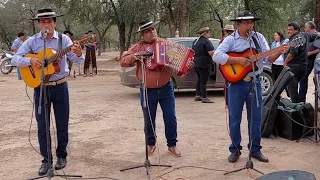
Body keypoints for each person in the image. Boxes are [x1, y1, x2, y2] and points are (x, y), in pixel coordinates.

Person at [11, 8, 84, 175]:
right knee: (42, 126)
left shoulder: (64, 40)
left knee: (62, 123)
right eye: (42, 21)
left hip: (60, 86)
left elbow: (76, 60)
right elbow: (15, 58)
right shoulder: (32, 41)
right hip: (41, 88)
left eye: (49, 21)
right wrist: (32, 60)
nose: (46, 24)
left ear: (54, 23)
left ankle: (61, 156)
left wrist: (79, 53)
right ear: (38, 24)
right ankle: (46, 159)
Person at [212, 10, 289, 163]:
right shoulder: (230, 40)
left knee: (255, 118)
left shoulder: (258, 38)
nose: (250, 25)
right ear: (238, 24)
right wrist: (237, 61)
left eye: (251, 22)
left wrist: (280, 50)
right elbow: (216, 56)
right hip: (236, 84)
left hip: (255, 83)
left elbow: (269, 58)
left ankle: (255, 150)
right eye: (247, 22)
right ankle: (235, 149)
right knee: (235, 118)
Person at [120, 19, 181, 157]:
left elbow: (178, 60)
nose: (151, 32)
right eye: (147, 31)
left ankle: (172, 145)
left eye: (152, 29)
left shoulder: (166, 44)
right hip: (147, 90)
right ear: (142, 34)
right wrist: (135, 57)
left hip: (166, 88)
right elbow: (123, 61)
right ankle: (151, 144)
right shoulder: (138, 47)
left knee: (170, 117)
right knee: (149, 119)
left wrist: (183, 63)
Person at [284, 21, 318, 103]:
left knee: (292, 88)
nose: (289, 31)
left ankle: (296, 108)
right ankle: (298, 103)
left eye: (291, 30)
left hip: (294, 67)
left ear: (297, 30)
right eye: (288, 29)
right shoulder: (305, 35)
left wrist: (285, 62)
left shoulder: (297, 38)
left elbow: (293, 53)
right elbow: (314, 35)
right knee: (293, 86)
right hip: (303, 66)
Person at [298, 21, 320, 102]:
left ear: (310, 28)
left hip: (314, 62)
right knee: (303, 79)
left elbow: (319, 49)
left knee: (303, 79)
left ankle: (301, 100)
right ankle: (302, 100)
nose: (304, 29)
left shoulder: (317, 36)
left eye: (305, 27)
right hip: (308, 61)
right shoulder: (308, 36)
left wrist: (309, 53)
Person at [192, 27, 214, 103]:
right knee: (204, 81)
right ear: (205, 34)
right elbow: (211, 53)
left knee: (199, 79)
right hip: (204, 64)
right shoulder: (206, 41)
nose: (209, 34)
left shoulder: (195, 41)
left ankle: (198, 95)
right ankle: (204, 97)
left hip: (196, 63)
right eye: (208, 33)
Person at [270, 31, 289, 101]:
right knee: (276, 81)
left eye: (276, 35)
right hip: (275, 64)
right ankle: (277, 97)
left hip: (283, 65)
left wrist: (282, 47)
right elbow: (271, 53)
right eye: (274, 35)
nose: (274, 37)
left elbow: (288, 45)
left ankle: (289, 94)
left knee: (285, 80)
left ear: (280, 36)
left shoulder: (285, 41)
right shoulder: (273, 44)